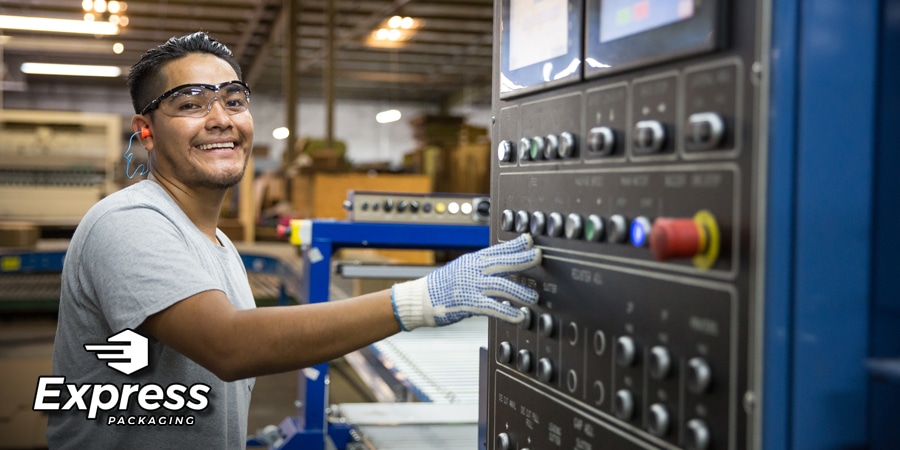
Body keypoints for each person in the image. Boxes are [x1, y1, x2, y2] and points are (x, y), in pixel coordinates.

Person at [44, 31, 541, 449]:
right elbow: (228, 345)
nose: (221, 118)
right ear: (146, 131)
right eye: (191, 104)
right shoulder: (129, 221)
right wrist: (417, 300)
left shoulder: (216, 244)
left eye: (234, 100)